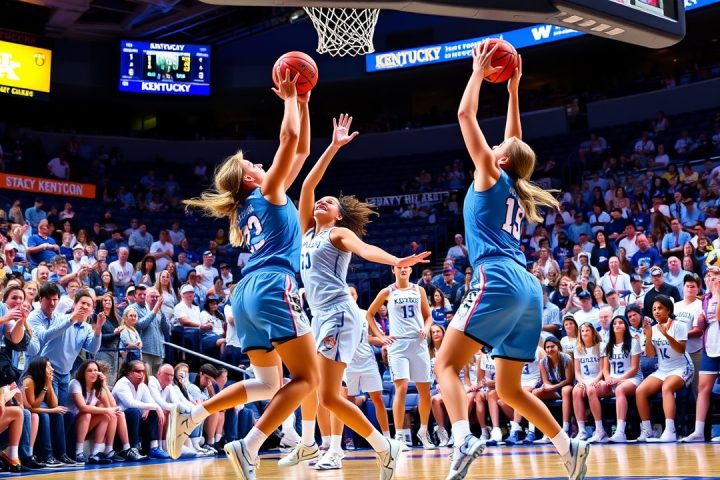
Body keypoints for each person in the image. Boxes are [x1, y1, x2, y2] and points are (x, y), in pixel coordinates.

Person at [166, 71, 338, 480]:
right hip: (273, 285)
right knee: (308, 377)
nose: (260, 164)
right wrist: (289, 100)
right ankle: (249, 445)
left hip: (245, 293)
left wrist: (304, 103)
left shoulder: (257, 200)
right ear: (249, 179)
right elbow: (289, 140)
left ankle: (193, 414)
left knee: (266, 384)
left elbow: (301, 149)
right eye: (253, 164)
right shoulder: (269, 191)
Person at [436, 41, 589, 480]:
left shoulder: (491, 172)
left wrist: (477, 73)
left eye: (500, 145)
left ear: (500, 158)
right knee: (508, 387)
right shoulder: (515, 184)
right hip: (527, 287)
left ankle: (461, 437)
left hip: (498, 277)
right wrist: (513, 90)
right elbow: (516, 140)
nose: (497, 143)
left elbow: (465, 115)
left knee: (445, 364)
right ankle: (568, 446)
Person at [281, 114, 428, 470]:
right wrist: (333, 146)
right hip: (319, 316)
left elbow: (365, 250)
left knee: (329, 393)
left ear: (338, 216)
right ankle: (324, 446)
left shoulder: (338, 234)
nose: (321, 202)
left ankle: (373, 446)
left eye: (329, 203)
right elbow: (307, 186)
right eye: (321, 201)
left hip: (338, 313)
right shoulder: (307, 232)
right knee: (321, 391)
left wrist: (395, 260)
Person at [367, 262, 435, 452]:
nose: (403, 269)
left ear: (411, 270)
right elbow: (370, 314)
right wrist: (381, 336)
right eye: (399, 267)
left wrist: (426, 328)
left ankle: (423, 432)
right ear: (393, 270)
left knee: (425, 392)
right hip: (398, 345)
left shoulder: (419, 290)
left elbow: (429, 316)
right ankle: (399, 435)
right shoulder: (387, 291)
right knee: (401, 387)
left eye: (406, 267)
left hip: (418, 343)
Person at [636, 295, 694, 442]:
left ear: (668, 310)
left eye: (660, 308)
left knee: (667, 387)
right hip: (663, 370)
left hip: (682, 367)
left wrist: (666, 335)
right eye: (654, 309)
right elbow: (650, 355)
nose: (656, 311)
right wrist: (649, 337)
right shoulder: (652, 329)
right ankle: (648, 431)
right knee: (640, 391)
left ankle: (670, 430)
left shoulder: (679, 325)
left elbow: (681, 350)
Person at [600, 315, 643, 443]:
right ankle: (599, 431)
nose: (617, 325)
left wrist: (618, 380)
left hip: (632, 379)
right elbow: (605, 369)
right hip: (614, 379)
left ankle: (620, 432)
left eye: (620, 323)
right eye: (614, 323)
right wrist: (607, 378)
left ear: (625, 326)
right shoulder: (608, 345)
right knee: (591, 390)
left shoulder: (633, 342)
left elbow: (634, 368)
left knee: (620, 390)